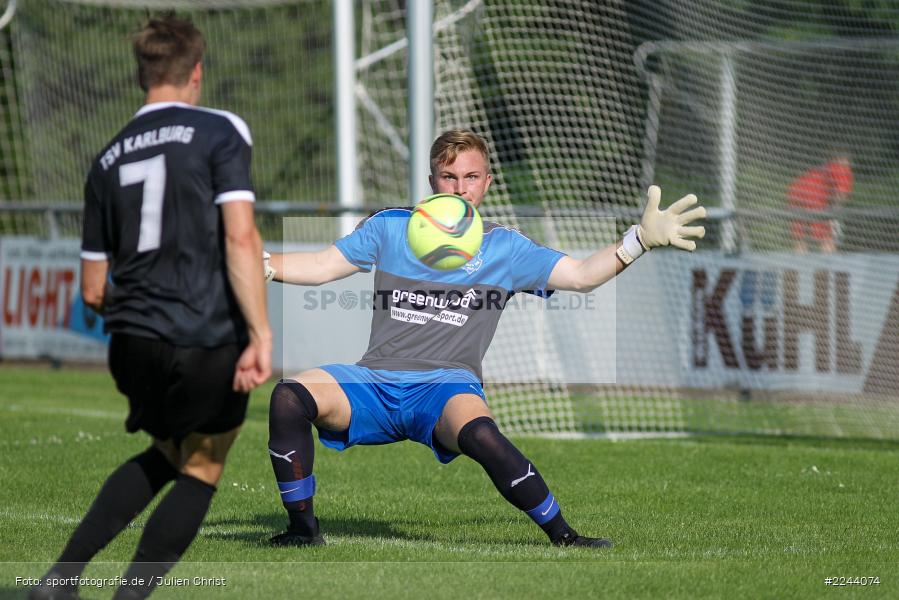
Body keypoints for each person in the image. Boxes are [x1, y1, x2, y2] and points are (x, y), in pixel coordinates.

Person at [263, 129, 705, 549]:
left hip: (446, 386)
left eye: (471, 177)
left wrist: (639, 240)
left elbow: (581, 275)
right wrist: (260, 263)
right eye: (449, 176)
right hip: (375, 380)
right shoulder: (392, 226)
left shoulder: (505, 247)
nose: (460, 189)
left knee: (482, 435)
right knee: (288, 396)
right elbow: (321, 266)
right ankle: (303, 529)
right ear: (432, 182)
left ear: (487, 183)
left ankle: (564, 536)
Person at [31, 15, 271, 600]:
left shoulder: (105, 160)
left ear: (142, 75)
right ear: (196, 72)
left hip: (132, 339)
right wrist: (261, 332)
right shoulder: (220, 129)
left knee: (166, 449)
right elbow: (241, 236)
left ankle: (59, 581)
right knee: (203, 463)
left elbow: (93, 290)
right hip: (204, 334)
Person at [787, 148, 853, 253]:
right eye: (847, 161)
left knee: (800, 240)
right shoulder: (842, 169)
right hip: (816, 202)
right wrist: (835, 216)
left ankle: (799, 259)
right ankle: (827, 261)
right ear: (843, 160)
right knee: (829, 240)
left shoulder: (822, 169)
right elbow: (841, 194)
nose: (848, 164)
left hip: (797, 198)